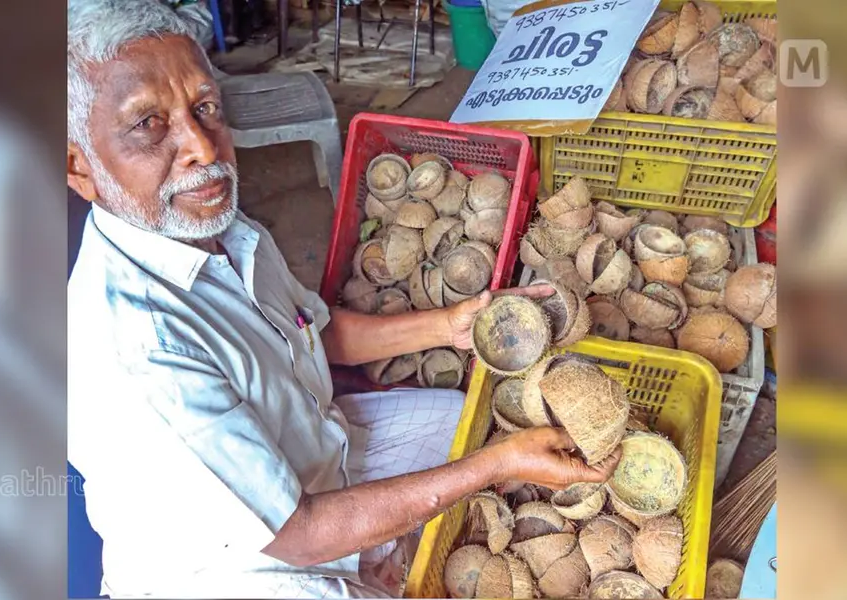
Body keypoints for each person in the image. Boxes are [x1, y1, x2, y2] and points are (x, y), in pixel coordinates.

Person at [66, 1, 622, 597]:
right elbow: (298, 533)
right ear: (81, 168)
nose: (202, 146)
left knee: (471, 422)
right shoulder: (138, 346)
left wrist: (452, 324)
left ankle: (383, 541)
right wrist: (495, 466)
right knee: (482, 459)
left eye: (205, 108)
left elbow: (315, 331)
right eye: (147, 124)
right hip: (244, 564)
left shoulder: (217, 228)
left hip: (316, 451)